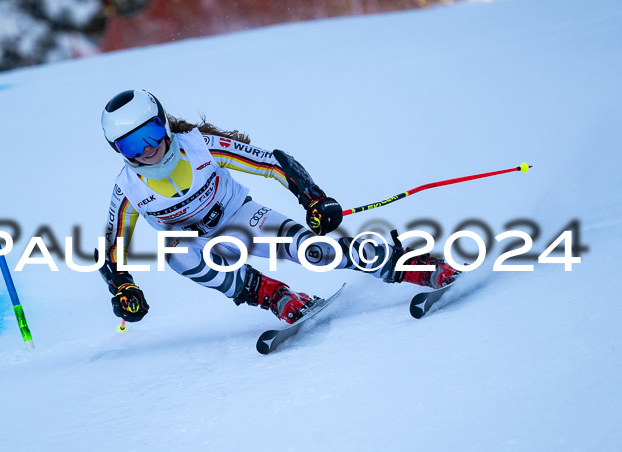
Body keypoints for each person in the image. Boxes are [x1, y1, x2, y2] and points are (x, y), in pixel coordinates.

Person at [98, 89, 458, 324]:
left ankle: (404, 262)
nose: (146, 150)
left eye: (150, 134)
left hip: (241, 218)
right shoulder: (128, 189)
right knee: (173, 251)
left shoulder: (201, 146)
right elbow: (111, 245)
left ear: (164, 123)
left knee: (316, 253)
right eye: (130, 145)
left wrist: (313, 198)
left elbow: (274, 162)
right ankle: (272, 294)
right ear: (118, 150)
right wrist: (122, 286)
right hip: (199, 245)